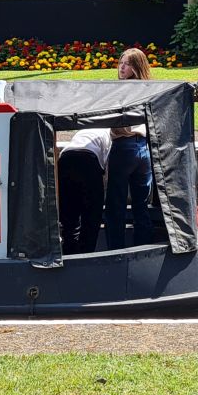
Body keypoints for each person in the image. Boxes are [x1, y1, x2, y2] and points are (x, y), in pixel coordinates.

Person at [104, 47, 153, 249]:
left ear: (136, 67)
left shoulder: (121, 90)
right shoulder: (148, 89)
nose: (122, 67)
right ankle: (143, 248)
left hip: (124, 148)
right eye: (121, 62)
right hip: (144, 150)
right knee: (141, 205)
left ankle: (115, 250)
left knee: (116, 205)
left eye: (127, 64)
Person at [57, 128, 111, 254]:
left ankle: (68, 252)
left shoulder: (83, 131)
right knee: (92, 215)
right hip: (89, 160)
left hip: (65, 159)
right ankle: (86, 253)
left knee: (69, 215)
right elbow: (107, 166)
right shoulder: (108, 133)